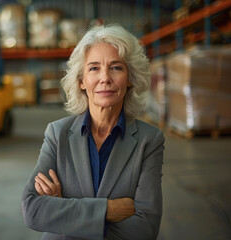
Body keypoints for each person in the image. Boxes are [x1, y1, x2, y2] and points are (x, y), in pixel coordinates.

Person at [21, 24, 165, 240]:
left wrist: (65, 211)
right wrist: (108, 210)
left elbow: (145, 228)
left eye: (116, 67)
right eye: (94, 68)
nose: (104, 78)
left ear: (130, 79)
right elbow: (32, 209)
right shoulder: (57, 134)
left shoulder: (149, 140)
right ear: (81, 81)